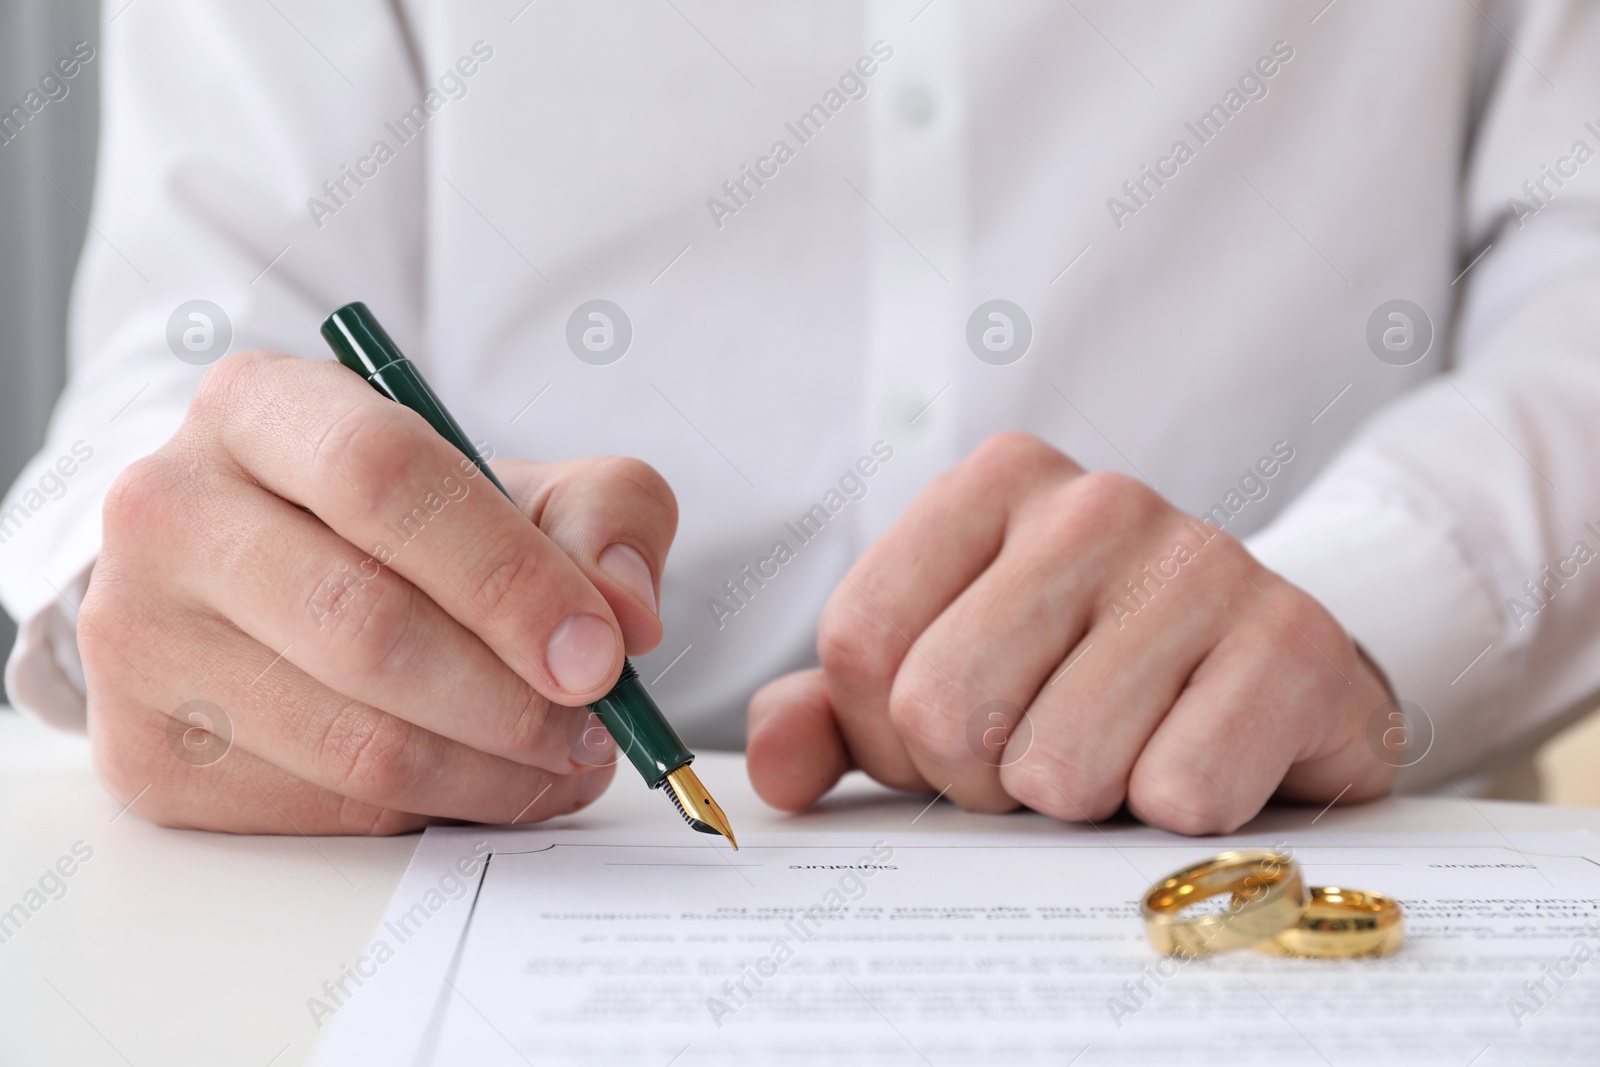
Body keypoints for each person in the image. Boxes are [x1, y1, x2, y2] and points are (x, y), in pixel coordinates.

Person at [2, 2, 1598, 836]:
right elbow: (193, 354)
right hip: (484, 864)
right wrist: (186, 579)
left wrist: (1364, 598)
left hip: (1299, 837)